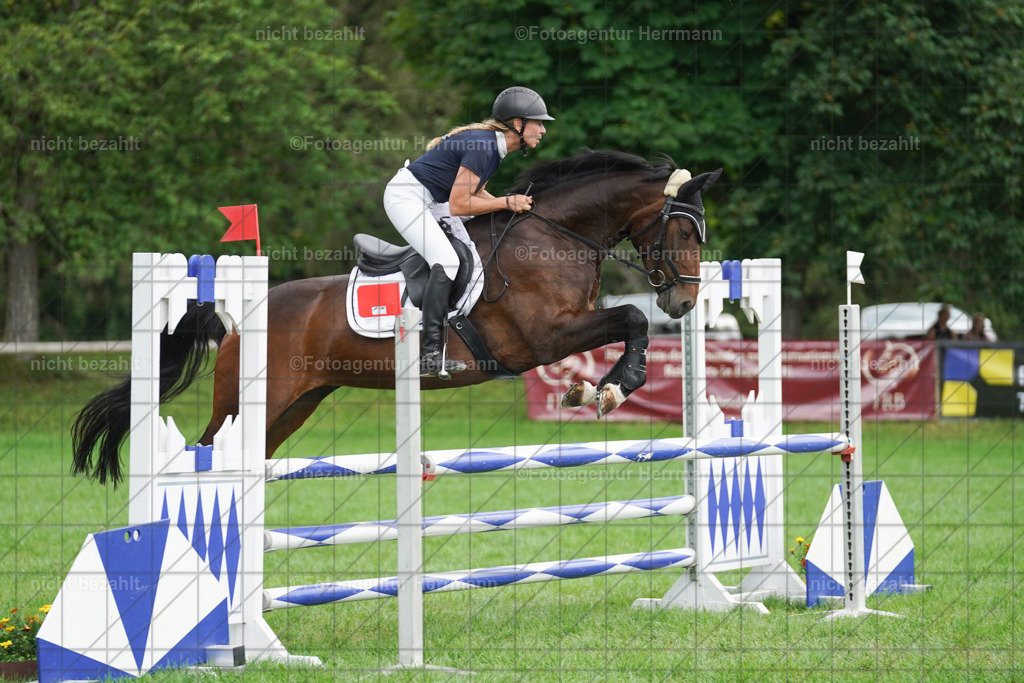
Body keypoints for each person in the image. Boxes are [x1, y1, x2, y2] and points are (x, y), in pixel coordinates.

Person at [383, 86, 554, 377]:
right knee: (447, 262)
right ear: (517, 124)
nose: (543, 130)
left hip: (431, 200)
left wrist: (512, 207)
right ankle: (430, 354)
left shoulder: (491, 146)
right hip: (406, 199)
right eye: (538, 123)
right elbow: (461, 205)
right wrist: (506, 202)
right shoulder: (484, 146)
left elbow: (476, 194)